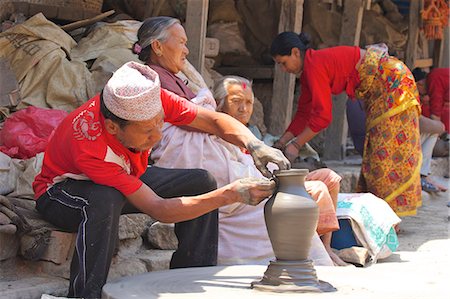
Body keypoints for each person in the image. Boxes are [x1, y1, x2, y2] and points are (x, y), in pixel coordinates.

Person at [32, 61, 289, 298]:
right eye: (146, 131)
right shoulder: (91, 147)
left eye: (160, 124)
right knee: (105, 197)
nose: (156, 136)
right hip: (60, 192)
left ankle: (191, 279)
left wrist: (254, 144)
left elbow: (212, 120)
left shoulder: (148, 99)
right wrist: (232, 193)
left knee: (201, 181)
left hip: (122, 175)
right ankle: (85, 294)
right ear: (113, 128)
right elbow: (158, 209)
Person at [133, 16, 335, 266]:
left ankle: (312, 261)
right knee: (261, 205)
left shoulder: (176, 78)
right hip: (190, 158)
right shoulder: (150, 81)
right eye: (182, 43)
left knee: (277, 198)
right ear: (158, 47)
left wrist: (260, 146)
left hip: (213, 154)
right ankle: (286, 263)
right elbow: (195, 122)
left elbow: (212, 121)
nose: (186, 50)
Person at [270, 32, 422, 217]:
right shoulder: (311, 68)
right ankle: (383, 215)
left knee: (385, 153)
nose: (283, 69)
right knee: (375, 151)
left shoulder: (314, 65)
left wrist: (295, 145)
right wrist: (281, 142)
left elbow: (323, 117)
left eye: (283, 63)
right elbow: (304, 113)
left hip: (393, 83)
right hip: (385, 86)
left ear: (295, 52)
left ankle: (389, 217)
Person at [213, 75, 350, 266]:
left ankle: (325, 248)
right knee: (317, 188)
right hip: (258, 192)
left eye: (248, 102)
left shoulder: (250, 132)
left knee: (330, 178)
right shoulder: (218, 137)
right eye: (236, 102)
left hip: (273, 183)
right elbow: (236, 177)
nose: (243, 109)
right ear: (219, 105)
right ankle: (315, 254)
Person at [412, 68, 448, 192]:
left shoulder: (434, 79)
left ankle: (424, 175)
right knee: (435, 131)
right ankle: (423, 176)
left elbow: (435, 114)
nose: (424, 96)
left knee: (435, 132)